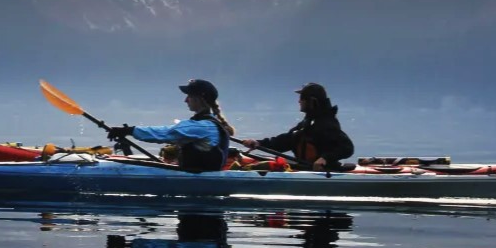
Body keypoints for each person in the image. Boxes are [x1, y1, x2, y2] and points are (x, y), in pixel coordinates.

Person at [105, 79, 234, 172]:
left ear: (200, 99)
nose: (185, 100)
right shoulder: (212, 122)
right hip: (201, 172)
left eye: (189, 96)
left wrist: (129, 130)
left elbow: (165, 133)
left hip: (199, 178)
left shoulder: (203, 126)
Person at [240, 82, 354, 171]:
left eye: (302, 99)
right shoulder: (308, 122)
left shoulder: (327, 123)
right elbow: (286, 140)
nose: (299, 101)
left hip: (326, 170)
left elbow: (347, 148)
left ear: (312, 101)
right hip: (304, 167)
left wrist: (325, 158)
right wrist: (259, 143)